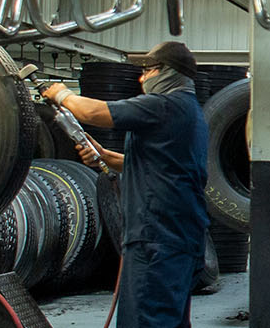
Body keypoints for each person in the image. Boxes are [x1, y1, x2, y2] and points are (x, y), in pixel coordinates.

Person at [42, 41, 211, 328]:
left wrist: (62, 93)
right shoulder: (190, 111)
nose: (141, 79)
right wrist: (106, 157)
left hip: (157, 236)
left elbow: (93, 113)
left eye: (147, 71)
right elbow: (164, 164)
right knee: (169, 319)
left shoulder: (163, 105)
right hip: (178, 235)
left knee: (147, 320)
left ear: (166, 72)